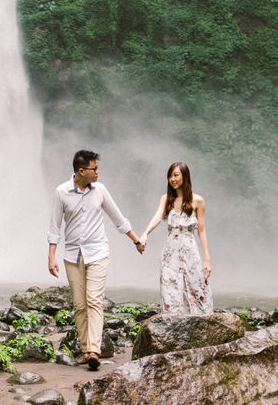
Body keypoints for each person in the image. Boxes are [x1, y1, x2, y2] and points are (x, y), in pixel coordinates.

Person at [47, 149, 145, 370]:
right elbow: (55, 227)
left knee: (94, 300)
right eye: (94, 169)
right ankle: (85, 350)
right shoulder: (61, 192)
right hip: (72, 255)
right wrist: (51, 257)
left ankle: (94, 350)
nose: (97, 172)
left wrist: (136, 240)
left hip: (98, 252)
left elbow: (117, 218)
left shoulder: (100, 190)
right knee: (80, 305)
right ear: (81, 171)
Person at [139, 161, 213, 314]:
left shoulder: (197, 200)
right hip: (170, 251)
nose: (172, 179)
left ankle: (202, 321)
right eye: (170, 176)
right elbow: (157, 217)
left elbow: (202, 230)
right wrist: (145, 234)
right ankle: (174, 322)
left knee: (197, 285)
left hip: (189, 249)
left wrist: (207, 259)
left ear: (185, 177)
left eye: (176, 175)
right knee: (170, 286)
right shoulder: (166, 199)